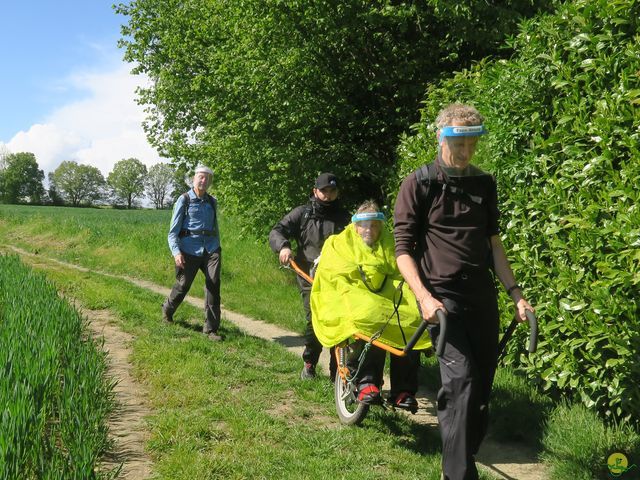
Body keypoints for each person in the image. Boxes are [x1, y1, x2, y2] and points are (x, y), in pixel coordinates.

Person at [393, 103, 534, 480]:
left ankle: (460, 458)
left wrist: (515, 293)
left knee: (480, 393)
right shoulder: (419, 183)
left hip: (482, 299)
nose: (467, 150)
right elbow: (402, 250)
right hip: (442, 300)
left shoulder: (484, 183)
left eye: (473, 142)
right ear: (441, 137)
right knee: (461, 382)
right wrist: (423, 297)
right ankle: (458, 474)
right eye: (459, 141)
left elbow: (493, 244)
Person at [310, 201, 431, 408]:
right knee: (369, 319)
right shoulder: (339, 243)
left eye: (375, 225)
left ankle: (403, 390)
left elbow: (399, 270)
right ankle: (367, 381)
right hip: (354, 295)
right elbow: (334, 272)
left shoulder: (390, 244)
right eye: (365, 225)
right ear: (356, 226)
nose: (370, 230)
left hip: (386, 298)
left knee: (411, 322)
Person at [269, 173, 351, 379]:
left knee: (340, 322)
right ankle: (310, 363)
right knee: (315, 320)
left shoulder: (345, 217)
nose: (328, 195)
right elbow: (277, 231)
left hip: (337, 278)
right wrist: (283, 247)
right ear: (315, 191)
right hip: (309, 277)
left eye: (332, 191)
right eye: (324, 191)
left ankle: (337, 372)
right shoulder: (303, 214)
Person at [162, 165, 223, 341]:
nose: (203, 181)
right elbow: (172, 232)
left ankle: (211, 329)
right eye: (200, 177)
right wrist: (176, 253)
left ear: (210, 182)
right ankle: (167, 310)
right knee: (183, 284)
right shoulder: (184, 200)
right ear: (194, 179)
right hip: (188, 249)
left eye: (207, 178)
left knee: (213, 284)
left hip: (211, 249)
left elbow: (215, 227)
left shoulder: (212, 201)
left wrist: (217, 246)